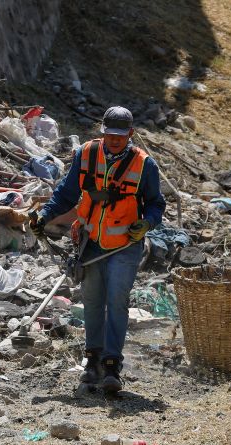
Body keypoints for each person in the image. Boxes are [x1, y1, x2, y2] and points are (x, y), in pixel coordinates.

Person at [29, 106, 166, 393]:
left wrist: (147, 223)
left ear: (130, 134)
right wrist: (45, 216)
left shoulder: (144, 165)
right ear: (101, 132)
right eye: (109, 136)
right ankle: (92, 361)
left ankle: (112, 365)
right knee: (92, 300)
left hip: (126, 244)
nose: (114, 141)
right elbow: (67, 192)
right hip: (90, 242)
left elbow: (156, 204)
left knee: (117, 301)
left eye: (120, 136)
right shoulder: (86, 154)